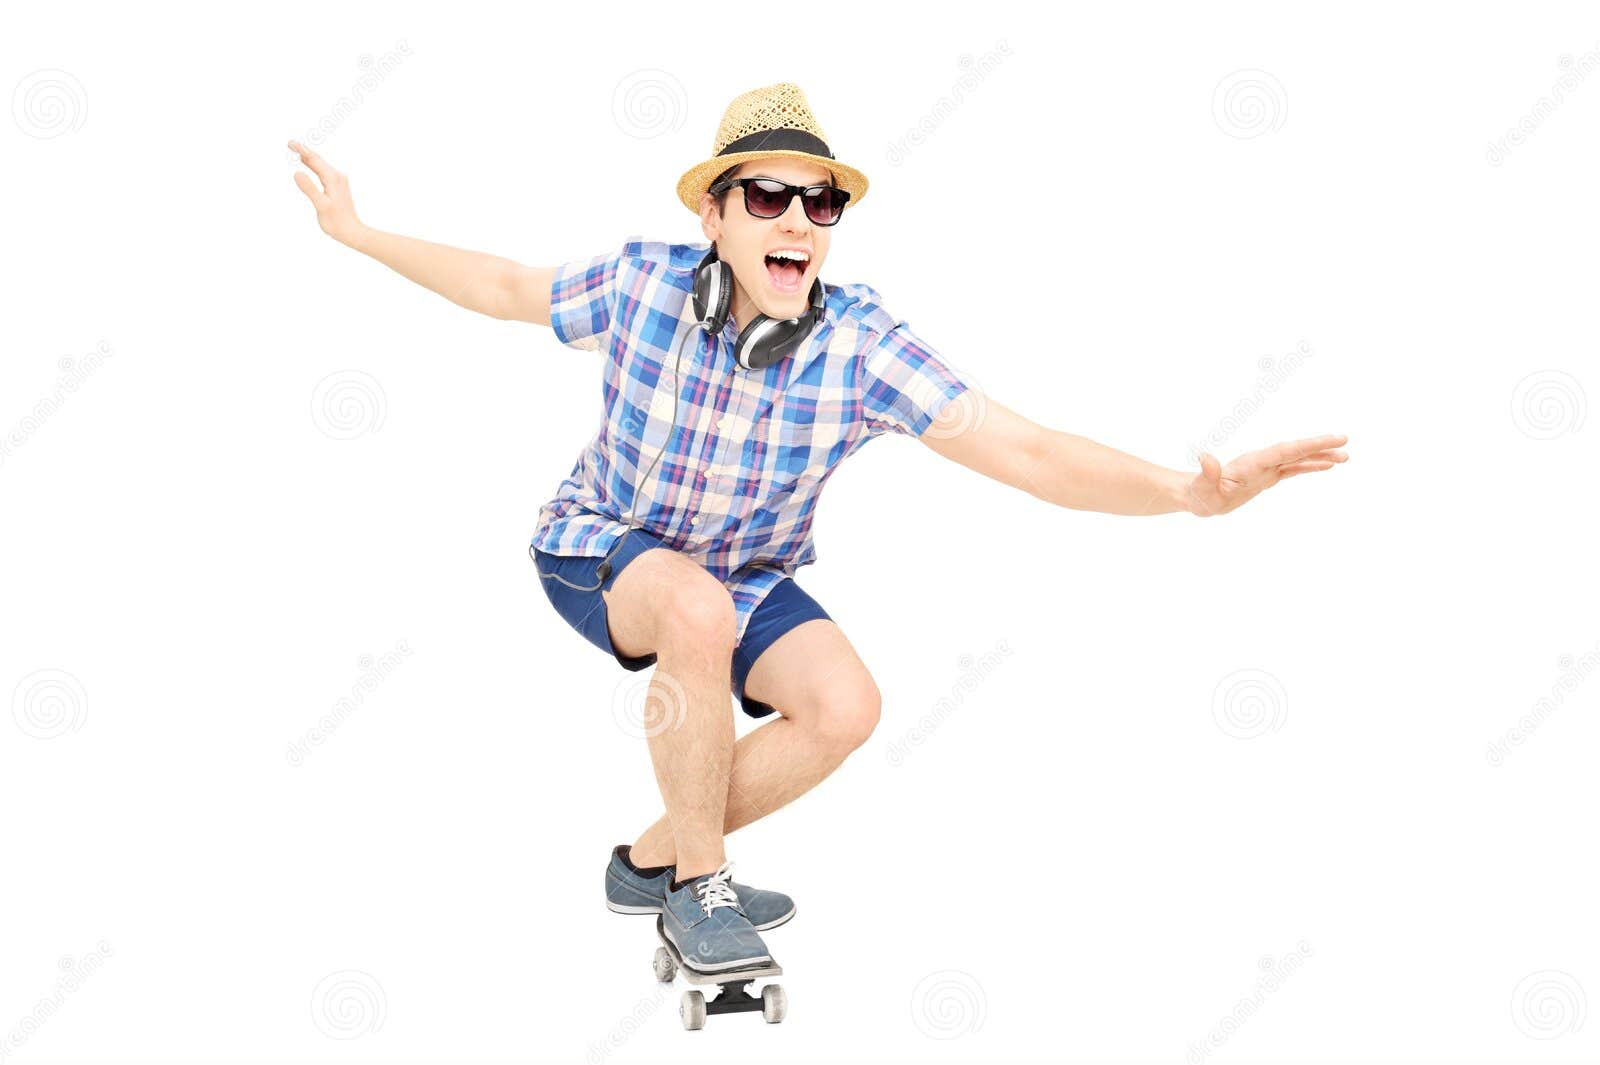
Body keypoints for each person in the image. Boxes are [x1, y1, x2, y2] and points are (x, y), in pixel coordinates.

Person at [289, 82, 1349, 976]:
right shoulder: (641, 282)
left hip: (744, 571)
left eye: (821, 201)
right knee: (690, 607)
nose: (797, 219)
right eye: (767, 195)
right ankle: (701, 888)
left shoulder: (860, 343)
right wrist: (359, 232)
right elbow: (504, 286)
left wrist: (1186, 493)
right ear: (715, 213)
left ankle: (652, 859)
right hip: (597, 544)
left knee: (845, 706)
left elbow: (1024, 449)